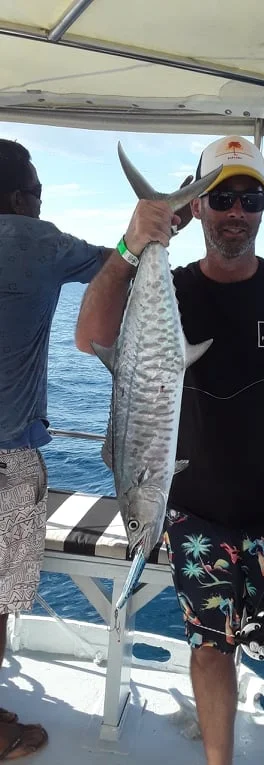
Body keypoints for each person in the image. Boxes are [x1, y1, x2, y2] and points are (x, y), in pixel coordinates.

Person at [76, 135, 264, 765]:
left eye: (251, 199)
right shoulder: (171, 285)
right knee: (208, 652)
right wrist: (132, 245)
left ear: (263, 207)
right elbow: (89, 336)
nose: (237, 211)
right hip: (195, 521)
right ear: (197, 206)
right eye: (222, 197)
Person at [0, 138, 115, 759]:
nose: (41, 203)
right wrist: (156, 226)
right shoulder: (35, 240)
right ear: (19, 197)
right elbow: (118, 263)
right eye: (37, 192)